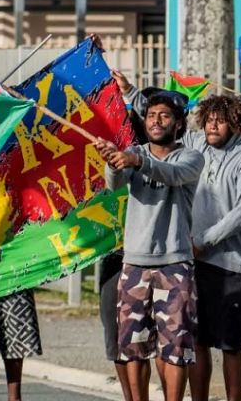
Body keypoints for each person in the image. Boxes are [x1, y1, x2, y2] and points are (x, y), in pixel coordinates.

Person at [95, 90, 204, 401]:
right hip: (134, 264)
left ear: (178, 124)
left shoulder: (190, 156)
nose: (156, 121)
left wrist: (136, 160)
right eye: (151, 115)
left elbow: (173, 174)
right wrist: (113, 162)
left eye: (165, 116)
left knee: (176, 348)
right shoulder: (133, 151)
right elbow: (114, 183)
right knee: (133, 347)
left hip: (175, 263)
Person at [186, 94, 241, 401]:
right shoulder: (197, 147)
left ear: (234, 123)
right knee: (197, 340)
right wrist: (130, 93)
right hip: (197, 263)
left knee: (232, 344)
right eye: (209, 120)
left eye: (220, 120)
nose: (213, 125)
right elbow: (166, 121)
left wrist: (204, 241)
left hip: (234, 266)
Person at [102, 70, 153, 401]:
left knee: (144, 338)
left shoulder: (153, 150)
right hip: (111, 251)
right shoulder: (109, 144)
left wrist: (131, 90)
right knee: (116, 334)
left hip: (148, 253)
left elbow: (155, 111)